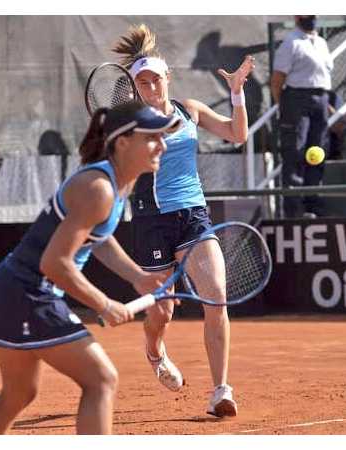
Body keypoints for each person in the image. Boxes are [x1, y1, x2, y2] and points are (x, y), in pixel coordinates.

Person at [0, 101, 178, 435]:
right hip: (27, 293)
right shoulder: (99, 188)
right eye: (152, 137)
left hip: (9, 288)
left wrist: (138, 277)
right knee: (101, 380)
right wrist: (104, 304)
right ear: (122, 142)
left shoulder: (115, 183)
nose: (162, 145)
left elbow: (98, 237)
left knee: (17, 394)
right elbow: (55, 263)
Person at [111, 23, 254, 417]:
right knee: (163, 313)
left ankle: (221, 390)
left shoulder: (190, 109)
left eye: (155, 79)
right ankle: (154, 350)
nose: (150, 86)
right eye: (142, 81)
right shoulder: (131, 122)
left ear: (167, 78)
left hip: (193, 214)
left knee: (216, 297)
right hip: (151, 220)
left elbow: (236, 134)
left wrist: (237, 93)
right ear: (135, 85)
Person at [270, 15, 334, 219]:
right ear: (297, 17)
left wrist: (329, 107)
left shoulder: (322, 42)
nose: (311, 18)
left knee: (318, 153)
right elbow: (277, 79)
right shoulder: (290, 42)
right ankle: (294, 211)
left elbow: (321, 77)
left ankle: (313, 205)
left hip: (321, 99)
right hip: (296, 99)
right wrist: (285, 106)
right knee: (295, 154)